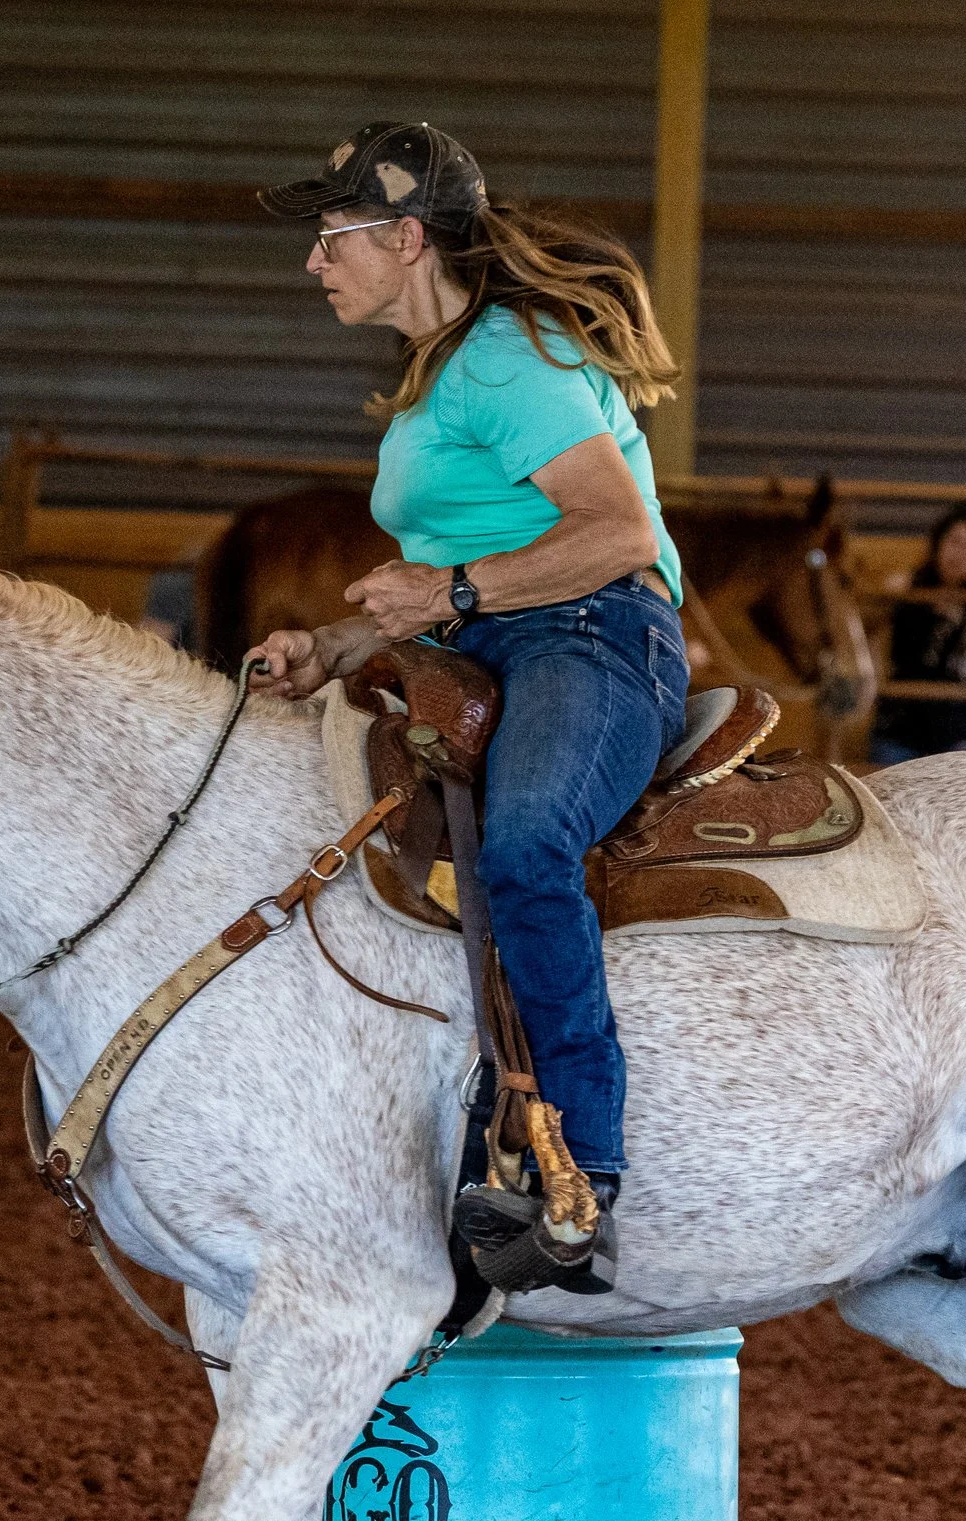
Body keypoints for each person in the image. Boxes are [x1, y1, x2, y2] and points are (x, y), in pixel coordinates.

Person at [243, 121, 690, 1296]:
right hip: (490, 637)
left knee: (531, 841)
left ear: (403, 237)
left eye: (334, 237)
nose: (314, 263)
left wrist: (445, 591)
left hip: (593, 632)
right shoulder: (440, 378)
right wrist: (335, 643)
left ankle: (580, 1170)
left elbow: (616, 533)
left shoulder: (505, 357)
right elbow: (446, 577)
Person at [868, 502, 966, 766]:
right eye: (954, 541)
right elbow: (865, 633)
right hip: (899, 726)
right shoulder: (903, 586)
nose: (959, 555)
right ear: (938, 541)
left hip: (960, 731)